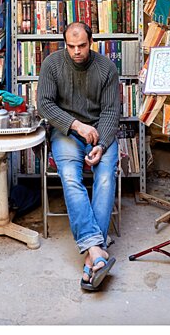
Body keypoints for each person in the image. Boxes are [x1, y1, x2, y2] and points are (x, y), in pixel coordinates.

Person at [37, 21, 120, 291]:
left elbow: (111, 112)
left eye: (82, 45)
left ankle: (92, 254)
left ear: (91, 42)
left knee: (105, 176)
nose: (76, 52)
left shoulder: (106, 67)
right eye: (71, 46)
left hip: (100, 133)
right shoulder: (52, 64)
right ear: (65, 44)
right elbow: (45, 105)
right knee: (71, 177)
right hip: (67, 133)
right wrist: (76, 126)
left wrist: (103, 144)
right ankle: (97, 249)